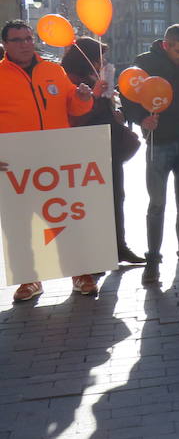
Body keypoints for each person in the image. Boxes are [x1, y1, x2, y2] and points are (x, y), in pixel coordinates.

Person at [0, 20, 97, 301]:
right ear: (6, 44)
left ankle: (79, 273)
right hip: (14, 163)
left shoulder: (54, 70)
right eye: (18, 40)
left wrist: (82, 97)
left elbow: (74, 106)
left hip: (56, 159)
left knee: (66, 217)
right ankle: (29, 280)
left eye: (29, 38)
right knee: (18, 225)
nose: (26, 44)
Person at [122, 24, 179, 283]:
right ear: (166, 45)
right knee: (157, 204)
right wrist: (141, 118)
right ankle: (153, 261)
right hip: (158, 143)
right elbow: (128, 97)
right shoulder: (144, 62)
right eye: (178, 50)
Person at [61, 38, 143, 265]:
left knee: (117, 195)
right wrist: (95, 96)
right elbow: (76, 115)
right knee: (93, 200)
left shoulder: (96, 76)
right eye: (99, 57)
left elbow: (108, 109)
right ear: (85, 58)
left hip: (109, 145)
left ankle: (120, 246)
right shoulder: (70, 80)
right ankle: (96, 254)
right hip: (86, 149)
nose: (103, 61)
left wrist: (117, 111)